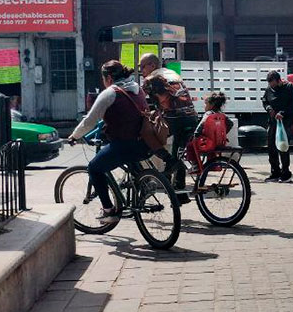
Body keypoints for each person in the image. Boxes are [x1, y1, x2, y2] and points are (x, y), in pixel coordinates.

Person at [67, 60, 149, 224]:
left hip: (123, 145)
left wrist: (74, 136)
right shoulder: (137, 88)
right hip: (145, 143)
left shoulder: (110, 93)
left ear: (109, 78)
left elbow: (89, 121)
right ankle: (144, 183)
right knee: (129, 159)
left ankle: (109, 211)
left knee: (94, 168)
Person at [138, 53, 200, 190]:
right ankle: (177, 184)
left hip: (174, 119)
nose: (140, 70)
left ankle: (159, 168)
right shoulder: (173, 74)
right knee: (178, 150)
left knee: (147, 136)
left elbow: (139, 100)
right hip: (191, 118)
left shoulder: (151, 79)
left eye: (142, 67)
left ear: (152, 65)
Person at [262, 70, 293, 182]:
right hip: (272, 122)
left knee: (283, 147)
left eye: (272, 83)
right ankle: (275, 172)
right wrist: (269, 109)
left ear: (278, 80)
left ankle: (285, 173)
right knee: (271, 147)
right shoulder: (269, 89)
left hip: (285, 122)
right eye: (269, 83)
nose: (271, 85)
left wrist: (282, 113)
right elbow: (265, 101)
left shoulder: (289, 87)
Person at [185, 91, 232, 175]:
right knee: (211, 151)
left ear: (211, 104)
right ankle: (212, 165)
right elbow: (230, 123)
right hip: (219, 141)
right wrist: (223, 133)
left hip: (207, 143)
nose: (204, 106)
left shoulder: (208, 114)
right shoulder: (221, 115)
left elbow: (201, 125)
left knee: (190, 146)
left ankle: (195, 165)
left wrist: (195, 135)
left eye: (205, 103)